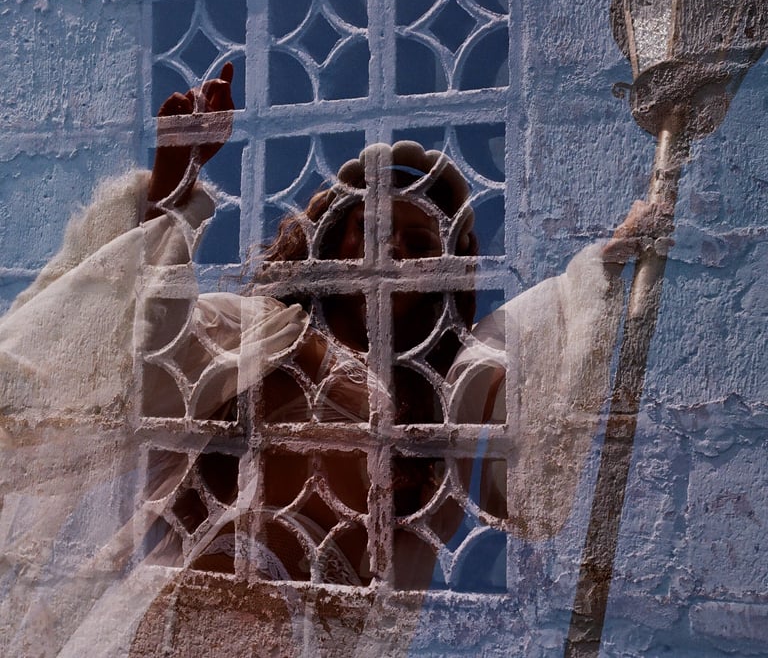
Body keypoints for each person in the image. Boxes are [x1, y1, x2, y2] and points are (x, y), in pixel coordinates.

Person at [0, 63, 664, 655]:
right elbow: (138, 355)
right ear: (333, 242)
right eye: (372, 229)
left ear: (442, 271)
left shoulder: (438, 405)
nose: (393, 250)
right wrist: (167, 199)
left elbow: (530, 473)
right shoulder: (258, 335)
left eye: (418, 241)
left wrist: (602, 274)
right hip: (168, 626)